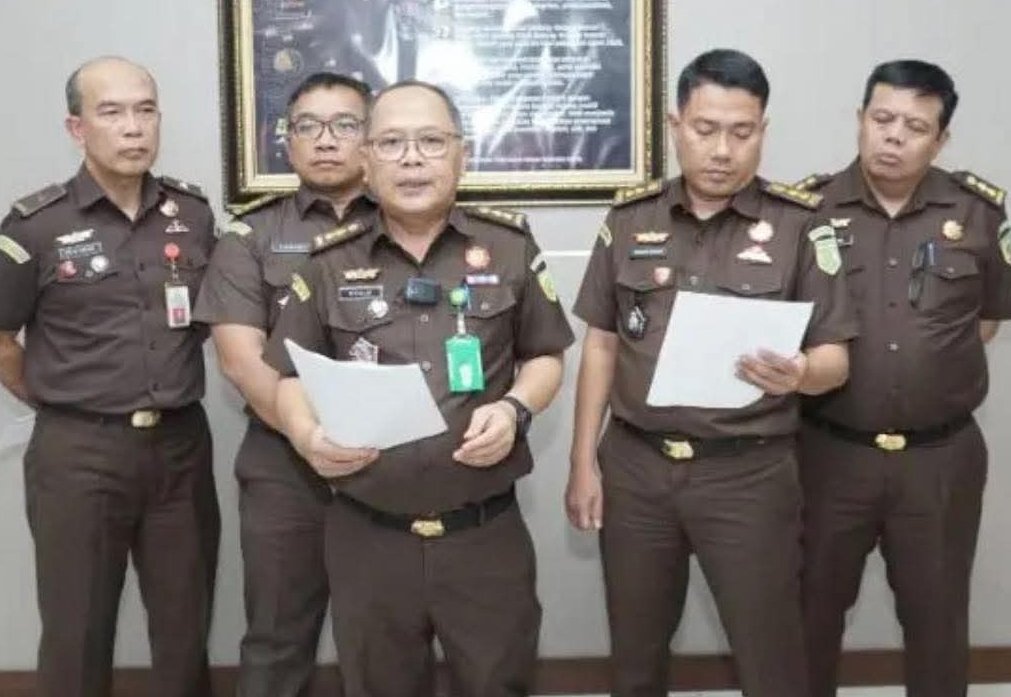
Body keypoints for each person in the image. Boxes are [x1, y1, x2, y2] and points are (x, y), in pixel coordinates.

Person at [263, 79, 573, 697]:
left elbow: (545, 356)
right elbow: (289, 376)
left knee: (498, 684)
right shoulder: (325, 263)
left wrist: (515, 409)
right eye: (392, 143)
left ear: (462, 155)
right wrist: (305, 436)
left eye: (431, 141)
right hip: (368, 536)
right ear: (366, 160)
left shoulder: (508, 248)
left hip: (483, 535)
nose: (411, 159)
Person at [565, 48, 857, 697]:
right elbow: (602, 345)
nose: (722, 150)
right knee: (636, 655)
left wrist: (801, 372)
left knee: (770, 658)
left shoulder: (801, 225)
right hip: (636, 470)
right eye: (705, 129)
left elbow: (836, 358)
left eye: (741, 132)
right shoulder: (629, 218)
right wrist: (583, 461)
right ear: (676, 126)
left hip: (748, 474)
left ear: (762, 130)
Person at [0, 56, 219, 697]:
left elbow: (213, 321)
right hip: (80, 454)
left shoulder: (192, 214)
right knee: (77, 631)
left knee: (185, 628)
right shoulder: (35, 225)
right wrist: (55, 399)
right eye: (112, 112)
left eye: (145, 111)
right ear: (77, 128)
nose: (133, 127)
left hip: (180, 447)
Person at [795, 60, 1011, 697]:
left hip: (939, 460)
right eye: (882, 119)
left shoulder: (979, 213)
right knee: (807, 615)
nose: (893, 136)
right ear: (860, 120)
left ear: (940, 140)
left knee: (937, 621)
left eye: (915, 127)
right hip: (826, 452)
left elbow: (987, 320)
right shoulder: (806, 210)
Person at [193, 72, 375, 697]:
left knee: (386, 639)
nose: (325, 140)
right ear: (287, 141)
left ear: (371, 137)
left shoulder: (410, 224)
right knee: (276, 639)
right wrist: (309, 437)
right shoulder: (251, 236)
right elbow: (241, 360)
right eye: (307, 126)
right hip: (284, 464)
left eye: (345, 125)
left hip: (395, 459)